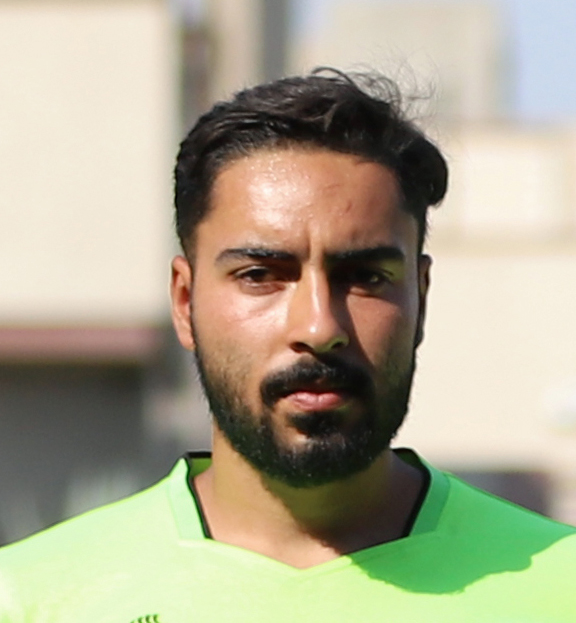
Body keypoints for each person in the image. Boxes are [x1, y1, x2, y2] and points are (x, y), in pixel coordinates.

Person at [0, 69, 575, 622]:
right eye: (260, 275)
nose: (319, 327)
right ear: (185, 301)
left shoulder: (561, 584)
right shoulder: (31, 599)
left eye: (365, 277)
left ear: (420, 297)